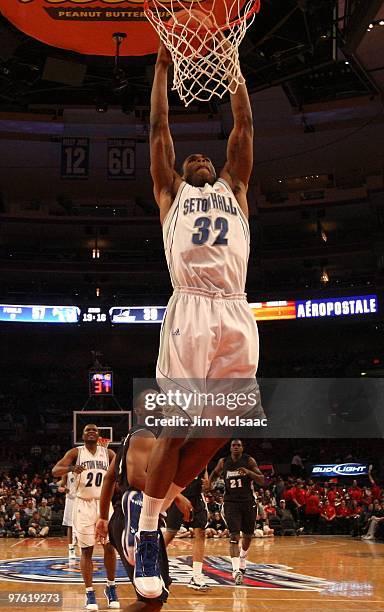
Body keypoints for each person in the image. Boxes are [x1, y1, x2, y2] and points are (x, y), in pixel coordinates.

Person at [135, 40, 261, 599]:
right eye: (192, 160)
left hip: (236, 307)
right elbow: (160, 128)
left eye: (206, 158)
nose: (200, 159)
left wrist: (232, 65)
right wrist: (163, 67)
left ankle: (156, 508)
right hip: (190, 304)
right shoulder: (170, 193)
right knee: (174, 428)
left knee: (219, 429)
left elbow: (245, 126)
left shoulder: (235, 188)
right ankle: (145, 533)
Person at [95, 396, 192, 611]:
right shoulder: (145, 435)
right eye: (153, 404)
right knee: (151, 599)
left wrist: (103, 517)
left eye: (161, 404)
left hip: (124, 515)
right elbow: (138, 477)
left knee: (154, 598)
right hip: (135, 513)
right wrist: (176, 495)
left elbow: (110, 477)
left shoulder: (132, 437)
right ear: (139, 409)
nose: (160, 409)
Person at [52, 424, 119, 611]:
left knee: (109, 546)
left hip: (104, 504)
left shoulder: (109, 454)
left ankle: (111, 587)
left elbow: (122, 473)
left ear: (99, 436)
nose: (91, 432)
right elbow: (55, 471)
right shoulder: (76, 452)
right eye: (87, 430)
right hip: (82, 504)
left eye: (94, 430)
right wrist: (71, 468)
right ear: (82, 435)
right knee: (87, 550)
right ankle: (90, 593)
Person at [209, 439, 264, 584]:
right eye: (233, 445)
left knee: (248, 536)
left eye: (238, 445)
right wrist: (210, 483)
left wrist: (248, 472)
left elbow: (262, 480)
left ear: (242, 448)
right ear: (230, 448)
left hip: (248, 502)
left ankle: (242, 559)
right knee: (234, 535)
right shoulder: (223, 462)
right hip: (230, 502)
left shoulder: (249, 461)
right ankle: (235, 570)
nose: (235, 447)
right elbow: (214, 473)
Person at [164, 469, 211, 591]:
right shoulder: (178, 451)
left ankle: (196, 576)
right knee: (170, 533)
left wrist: (207, 483)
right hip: (178, 495)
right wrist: (176, 495)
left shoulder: (203, 453)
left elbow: (204, 474)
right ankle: (149, 564)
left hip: (196, 496)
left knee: (200, 533)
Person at [58, 469, 78, 560]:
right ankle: (71, 549)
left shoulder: (84, 471)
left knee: (83, 524)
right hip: (70, 499)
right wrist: (64, 489)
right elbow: (60, 487)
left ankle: (82, 546)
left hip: (81, 499)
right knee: (70, 525)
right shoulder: (67, 473)